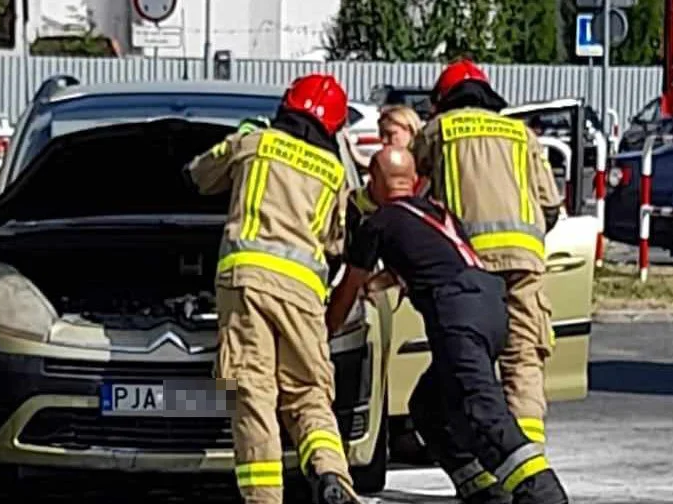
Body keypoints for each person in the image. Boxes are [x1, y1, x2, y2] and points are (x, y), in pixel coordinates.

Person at [326, 146, 569, 504]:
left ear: (374, 182)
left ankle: (543, 493)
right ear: (413, 182)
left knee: (482, 407)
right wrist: (379, 284)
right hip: (490, 303)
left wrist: (320, 340)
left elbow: (347, 290)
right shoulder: (438, 213)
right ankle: (481, 489)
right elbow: (428, 262)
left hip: (457, 313)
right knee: (429, 404)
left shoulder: (378, 222)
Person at [183, 73, 360, 504]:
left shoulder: (255, 143)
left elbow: (198, 175)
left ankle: (265, 498)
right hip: (302, 293)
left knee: (254, 391)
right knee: (309, 392)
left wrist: (240, 136)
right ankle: (332, 474)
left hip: (246, 284)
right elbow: (337, 243)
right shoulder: (335, 172)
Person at [412, 58, 565, 497]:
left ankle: (495, 479)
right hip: (524, 264)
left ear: (443, 100)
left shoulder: (438, 131)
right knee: (522, 364)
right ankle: (531, 475)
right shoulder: (522, 135)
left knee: (464, 372)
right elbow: (550, 206)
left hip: (469, 270)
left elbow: (418, 189)